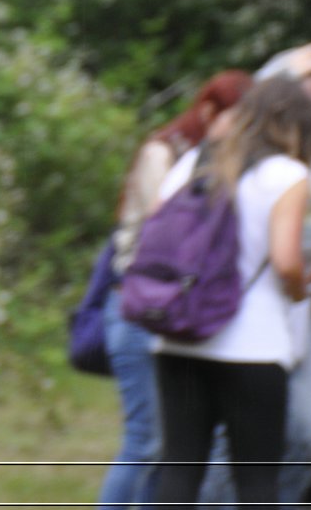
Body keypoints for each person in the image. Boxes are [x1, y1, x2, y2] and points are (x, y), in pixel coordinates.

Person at [149, 76, 311, 509]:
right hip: (253, 349)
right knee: (256, 484)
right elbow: (285, 262)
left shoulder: (193, 164)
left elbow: (155, 232)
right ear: (296, 126)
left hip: (178, 337)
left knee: (180, 473)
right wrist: (301, 292)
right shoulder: (287, 174)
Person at [98, 70, 252, 509]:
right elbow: (164, 238)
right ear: (209, 111)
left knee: (174, 449)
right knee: (147, 441)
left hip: (177, 310)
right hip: (140, 305)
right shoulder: (163, 153)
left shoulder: (217, 162)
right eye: (237, 118)